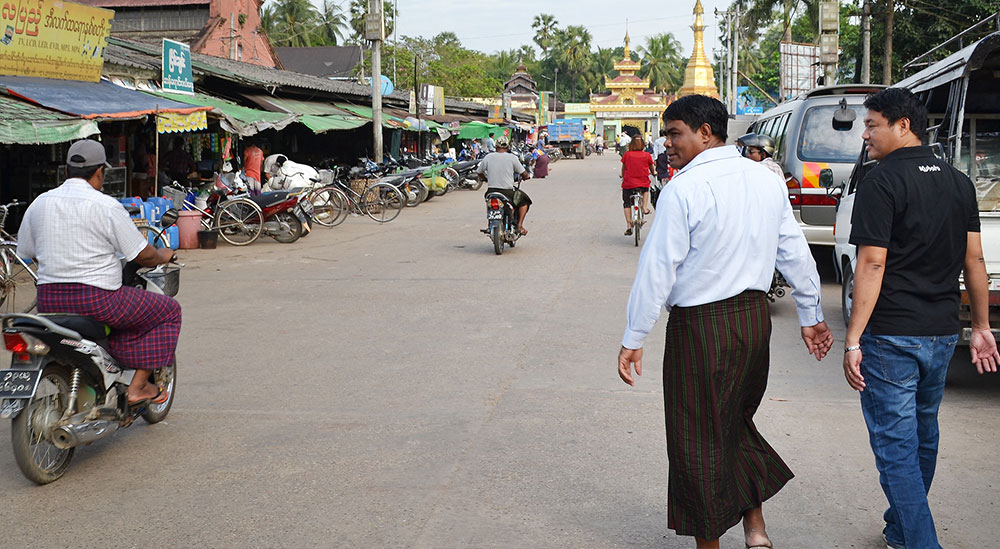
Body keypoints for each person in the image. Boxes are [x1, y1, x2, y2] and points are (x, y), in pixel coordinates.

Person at [617, 95, 833, 549]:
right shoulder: (766, 181)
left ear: (706, 133)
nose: (667, 143)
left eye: (675, 133)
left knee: (696, 435)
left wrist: (635, 335)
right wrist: (811, 314)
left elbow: (658, 268)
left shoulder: (683, 188)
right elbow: (793, 250)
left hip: (701, 326)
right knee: (733, 421)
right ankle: (755, 528)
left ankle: (710, 543)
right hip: (753, 322)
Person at [843, 88, 999, 549]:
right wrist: (983, 328)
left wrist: (853, 338)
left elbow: (871, 265)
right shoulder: (958, 182)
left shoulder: (881, 181)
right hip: (941, 332)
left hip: (891, 335)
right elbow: (975, 261)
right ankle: (900, 528)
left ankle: (921, 542)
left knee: (896, 447)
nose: (865, 134)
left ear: (902, 125)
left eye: (872, 125)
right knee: (922, 433)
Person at [17, 140, 181, 405]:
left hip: (49, 300)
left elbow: (27, 249)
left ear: (67, 170)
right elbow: (142, 254)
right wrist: (163, 254)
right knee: (169, 311)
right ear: (99, 172)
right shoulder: (106, 206)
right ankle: (139, 387)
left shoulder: (40, 203)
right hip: (98, 301)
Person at [476, 135, 531, 235]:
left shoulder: (488, 157)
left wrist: (485, 179)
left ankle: (490, 225)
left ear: (496, 146)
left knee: (489, 204)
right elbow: (524, 173)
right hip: (507, 192)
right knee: (524, 202)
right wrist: (526, 177)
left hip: (491, 191)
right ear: (508, 147)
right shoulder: (512, 158)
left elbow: (479, 172)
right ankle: (519, 226)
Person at [620, 135, 655, 236]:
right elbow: (651, 168)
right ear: (643, 145)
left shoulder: (627, 155)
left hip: (628, 184)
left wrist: (622, 174)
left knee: (626, 203)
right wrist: (654, 173)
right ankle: (644, 207)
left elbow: (623, 168)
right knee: (645, 190)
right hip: (643, 183)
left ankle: (629, 225)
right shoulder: (647, 155)